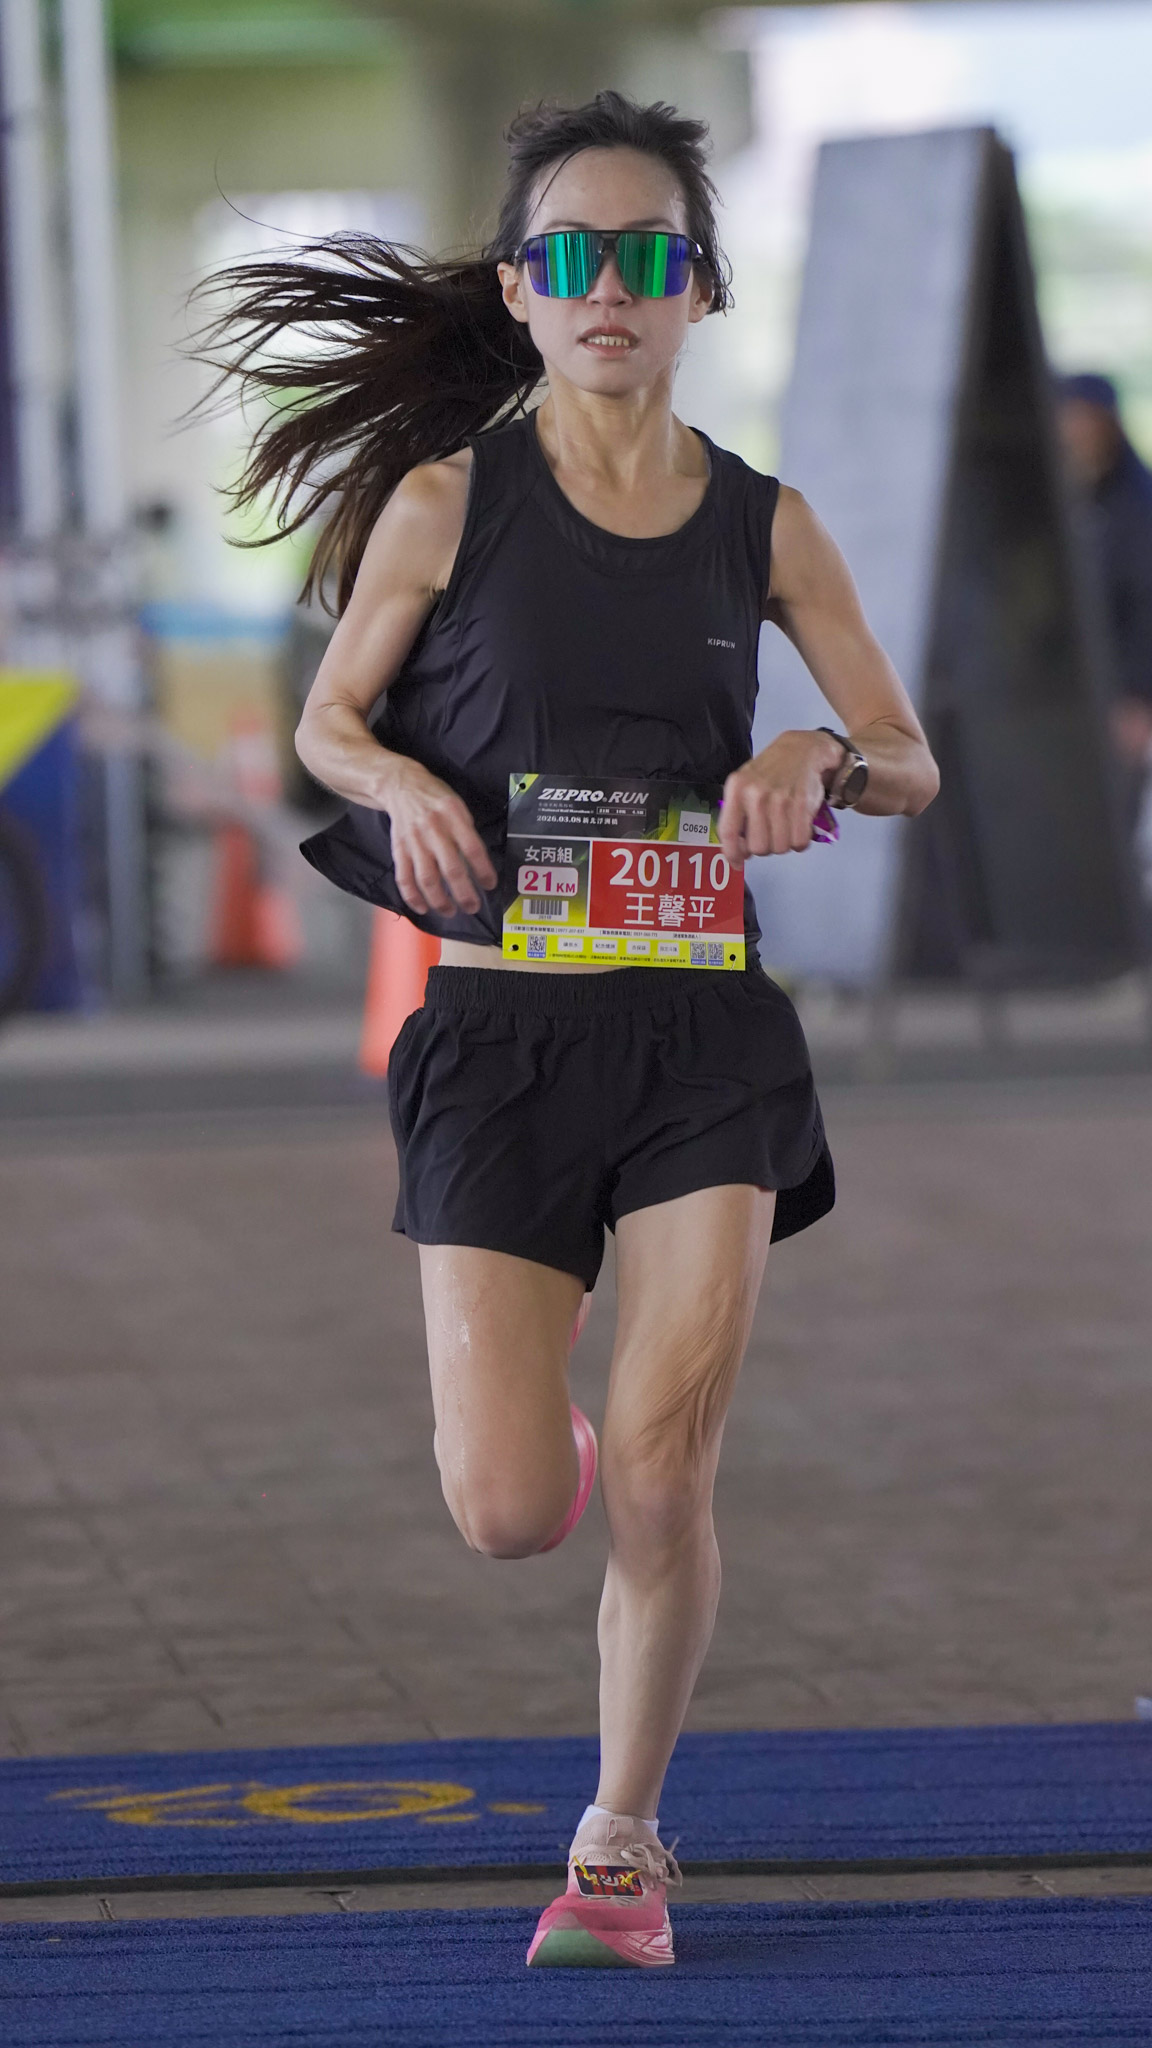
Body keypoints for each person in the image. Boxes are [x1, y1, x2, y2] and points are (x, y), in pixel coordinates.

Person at [195, 91, 938, 1970]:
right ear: (523, 289)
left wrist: (816, 752)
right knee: (513, 1505)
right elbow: (329, 720)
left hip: (702, 1043)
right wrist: (399, 786)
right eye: (574, 256)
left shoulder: (766, 522)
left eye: (650, 255)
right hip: (500, 1039)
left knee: (674, 1468)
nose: (613, 287)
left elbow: (908, 753)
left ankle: (619, 1848)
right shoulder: (448, 500)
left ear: (700, 290)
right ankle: (557, 1442)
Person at [1056, 372, 1152, 836]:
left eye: (1084, 420)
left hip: (1121, 692)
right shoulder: (1065, 497)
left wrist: (1138, 697)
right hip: (1063, 693)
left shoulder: (1138, 505)